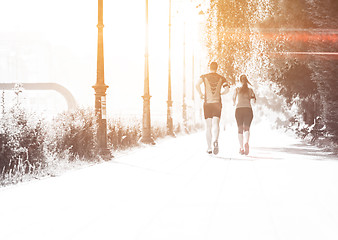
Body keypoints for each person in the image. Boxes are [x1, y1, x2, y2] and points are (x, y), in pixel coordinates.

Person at [196, 62, 230, 154]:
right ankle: (215, 140)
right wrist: (221, 93)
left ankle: (209, 147)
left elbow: (197, 85)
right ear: (217, 68)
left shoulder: (204, 76)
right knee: (216, 124)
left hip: (207, 103)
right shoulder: (222, 78)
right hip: (217, 103)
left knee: (208, 126)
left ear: (209, 67)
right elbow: (227, 89)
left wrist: (201, 94)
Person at [232, 74, 256, 155]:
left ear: (240, 81)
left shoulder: (237, 89)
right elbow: (253, 101)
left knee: (240, 129)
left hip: (238, 110)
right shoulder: (250, 90)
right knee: (247, 128)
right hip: (248, 109)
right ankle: (246, 142)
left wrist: (234, 102)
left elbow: (233, 99)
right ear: (247, 80)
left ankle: (241, 148)